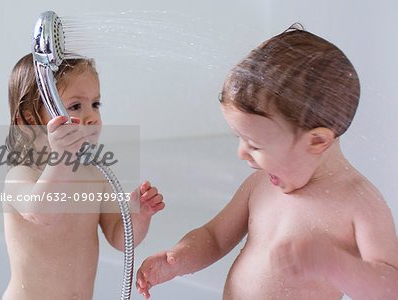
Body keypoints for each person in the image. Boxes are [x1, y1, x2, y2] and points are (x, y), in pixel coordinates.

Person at [136, 25, 398, 299]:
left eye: (256, 145)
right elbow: (214, 237)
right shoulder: (261, 185)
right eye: (241, 138)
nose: (242, 153)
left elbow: (390, 288)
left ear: (317, 141)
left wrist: (336, 266)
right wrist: (177, 259)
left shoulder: (358, 202)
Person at [2, 54, 165, 300]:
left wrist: (139, 217)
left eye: (95, 104)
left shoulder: (95, 176)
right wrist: (62, 156)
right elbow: (43, 212)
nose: (91, 117)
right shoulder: (21, 175)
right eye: (76, 106)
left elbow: (119, 237)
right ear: (30, 120)